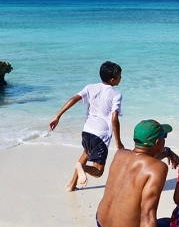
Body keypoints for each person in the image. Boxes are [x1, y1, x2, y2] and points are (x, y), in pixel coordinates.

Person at [96, 119, 179, 227]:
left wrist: (167, 152)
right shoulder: (158, 169)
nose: (164, 140)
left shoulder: (120, 154)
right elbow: (147, 215)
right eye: (164, 137)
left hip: (101, 224)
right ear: (157, 142)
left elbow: (143, 159)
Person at [49, 61, 125, 192]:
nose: (121, 78)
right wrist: (118, 143)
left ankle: (71, 185)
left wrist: (57, 116)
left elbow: (73, 99)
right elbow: (114, 119)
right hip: (101, 135)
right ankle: (82, 168)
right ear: (113, 80)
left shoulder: (90, 87)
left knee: (86, 153)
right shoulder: (116, 95)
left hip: (87, 131)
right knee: (99, 171)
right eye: (119, 76)